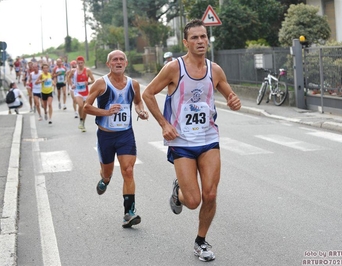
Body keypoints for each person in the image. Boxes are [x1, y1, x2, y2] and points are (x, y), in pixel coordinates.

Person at [142, 19, 241, 262]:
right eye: (195, 38)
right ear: (185, 42)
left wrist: (233, 100)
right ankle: (179, 191)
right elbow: (148, 93)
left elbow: (229, 93)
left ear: (208, 39)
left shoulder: (214, 70)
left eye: (203, 37)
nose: (200, 41)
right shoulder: (174, 69)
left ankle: (200, 241)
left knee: (210, 194)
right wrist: (164, 124)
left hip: (208, 139)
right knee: (194, 200)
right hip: (182, 142)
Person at [83, 50, 149, 228]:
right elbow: (86, 107)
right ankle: (104, 180)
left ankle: (129, 213)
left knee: (128, 170)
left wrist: (141, 111)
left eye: (121, 59)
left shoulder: (133, 84)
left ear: (126, 63)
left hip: (125, 134)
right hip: (105, 135)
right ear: (109, 64)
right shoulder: (100, 84)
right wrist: (106, 112)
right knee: (107, 172)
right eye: (114, 60)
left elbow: (137, 101)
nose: (118, 62)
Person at [69, 56, 95, 132]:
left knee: (85, 108)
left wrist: (89, 82)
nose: (80, 64)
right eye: (79, 63)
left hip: (86, 92)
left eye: (81, 63)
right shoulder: (74, 71)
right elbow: (68, 78)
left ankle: (82, 122)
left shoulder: (87, 71)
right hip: (77, 92)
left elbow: (93, 80)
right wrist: (71, 85)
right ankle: (81, 119)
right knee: (80, 105)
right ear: (76, 63)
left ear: (84, 63)